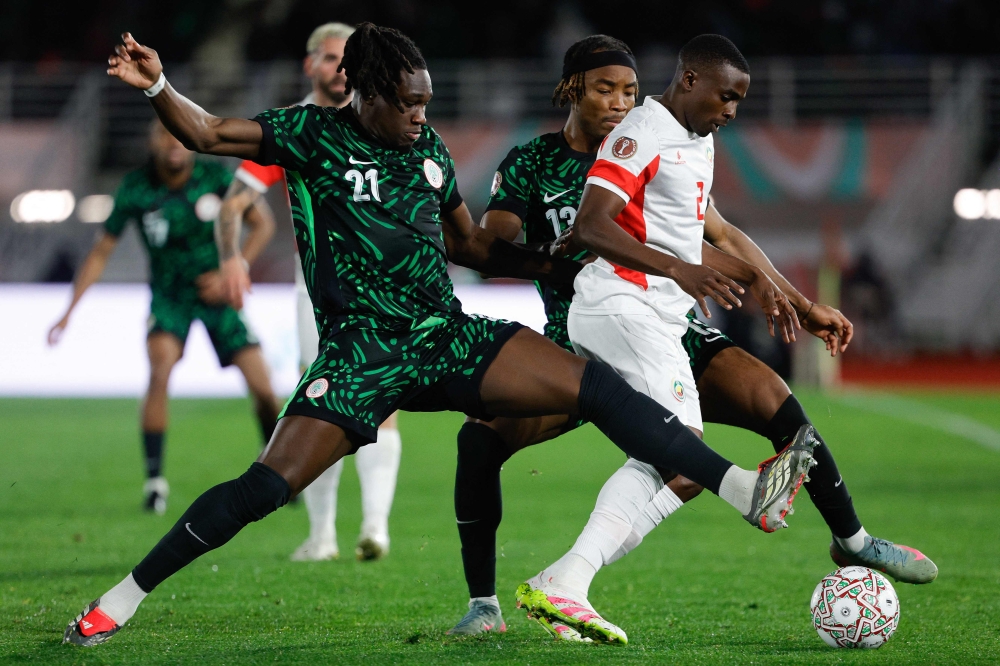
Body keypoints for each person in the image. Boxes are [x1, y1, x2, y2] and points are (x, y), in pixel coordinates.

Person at [64, 24, 812, 648]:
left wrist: (557, 260)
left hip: (444, 333)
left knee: (598, 386)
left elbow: (473, 249)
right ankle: (120, 599)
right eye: (407, 104)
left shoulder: (428, 153)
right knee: (265, 487)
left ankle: (739, 487)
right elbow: (205, 130)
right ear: (365, 91)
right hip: (362, 354)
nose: (421, 116)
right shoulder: (309, 134)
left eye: (427, 104)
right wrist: (159, 86)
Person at [507, 34, 938, 645]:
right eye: (726, 96)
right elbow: (591, 224)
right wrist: (678, 269)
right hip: (620, 306)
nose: (732, 110)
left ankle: (567, 575)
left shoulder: (697, 139)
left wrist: (793, 299)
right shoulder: (640, 132)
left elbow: (711, 235)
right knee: (682, 448)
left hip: (660, 313)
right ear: (689, 81)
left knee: (680, 467)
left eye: (740, 100)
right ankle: (587, 571)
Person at [219, 21, 402, 564]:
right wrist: (232, 257)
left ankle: (375, 528)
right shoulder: (295, 130)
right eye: (329, 58)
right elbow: (233, 203)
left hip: (385, 285)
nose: (341, 69)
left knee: (382, 402)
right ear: (309, 65)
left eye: (350, 59)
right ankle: (322, 535)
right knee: (322, 406)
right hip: (319, 293)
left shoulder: (383, 117)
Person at [47, 120, 279, 516]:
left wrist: (233, 269)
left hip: (217, 298)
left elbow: (263, 225)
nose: (173, 143)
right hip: (169, 299)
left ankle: (275, 466)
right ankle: (155, 482)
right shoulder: (136, 188)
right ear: (153, 141)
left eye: (179, 136)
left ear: (191, 142)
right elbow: (101, 250)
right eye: (164, 135)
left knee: (264, 389)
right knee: (159, 372)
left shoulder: (214, 176)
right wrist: (69, 311)